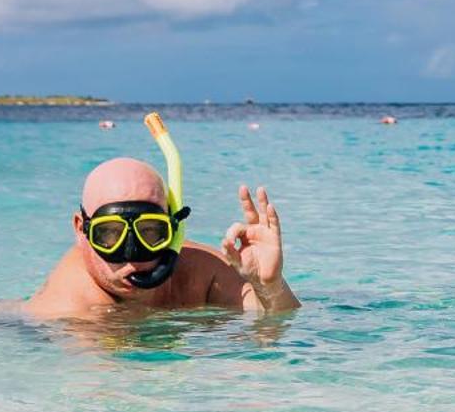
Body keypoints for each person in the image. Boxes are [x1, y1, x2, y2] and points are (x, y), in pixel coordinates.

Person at [25, 116, 299, 319]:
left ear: (174, 228)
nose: (132, 256)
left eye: (149, 232)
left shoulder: (201, 272)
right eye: (109, 234)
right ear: (80, 229)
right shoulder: (70, 309)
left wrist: (269, 285)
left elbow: (276, 327)